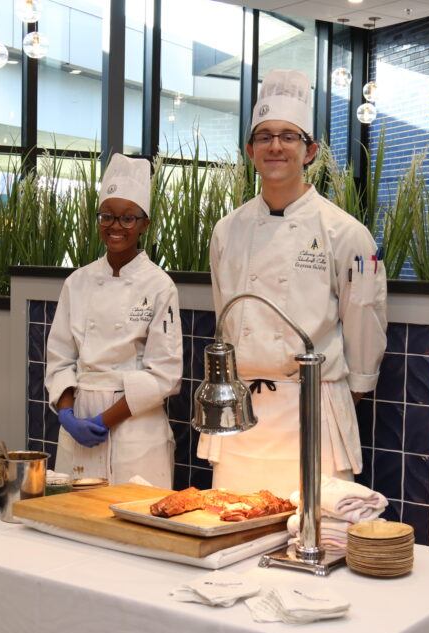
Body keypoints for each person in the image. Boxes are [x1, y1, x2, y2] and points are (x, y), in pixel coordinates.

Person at [197, 69, 388, 497]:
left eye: (288, 136)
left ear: (310, 150)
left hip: (312, 413)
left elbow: (364, 321)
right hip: (241, 413)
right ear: (250, 150)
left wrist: (339, 395)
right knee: (233, 527)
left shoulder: (346, 232)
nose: (276, 146)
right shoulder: (227, 231)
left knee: (311, 532)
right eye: (264, 137)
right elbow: (224, 315)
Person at [45, 153, 182, 487]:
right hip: (79, 419)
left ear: (144, 224)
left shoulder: (159, 285)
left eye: (127, 218)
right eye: (107, 216)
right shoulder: (77, 282)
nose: (115, 226)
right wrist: (67, 417)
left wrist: (104, 421)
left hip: (134, 426)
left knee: (135, 524)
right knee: (73, 524)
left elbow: (165, 375)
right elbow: (60, 359)